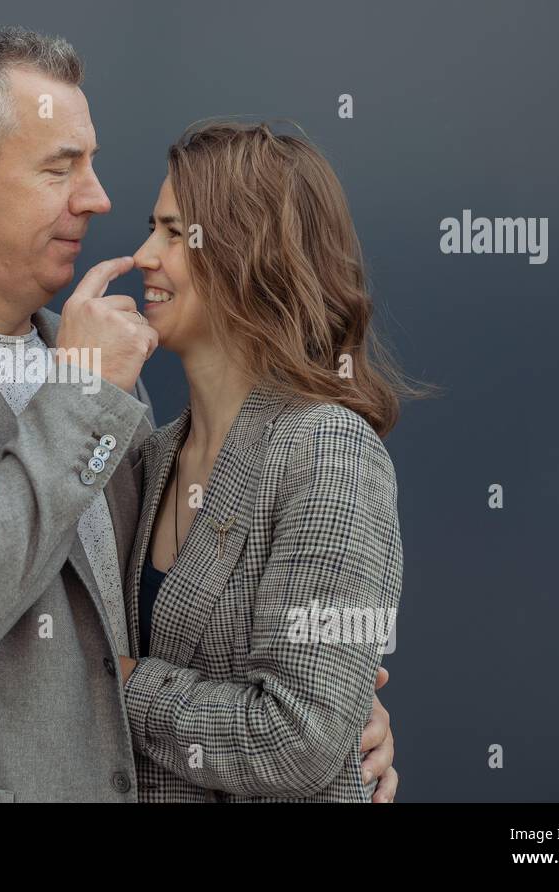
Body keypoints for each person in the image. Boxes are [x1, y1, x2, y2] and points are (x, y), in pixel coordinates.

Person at [0, 27, 398, 802]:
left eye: (90, 164)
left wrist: (337, 713)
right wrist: (85, 392)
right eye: (61, 169)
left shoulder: (109, 377)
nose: (98, 198)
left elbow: (158, 635)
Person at [119, 120, 419, 800]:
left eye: (173, 233)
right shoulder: (152, 453)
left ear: (249, 254)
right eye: (151, 229)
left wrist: (116, 682)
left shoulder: (328, 451)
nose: (143, 255)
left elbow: (298, 738)